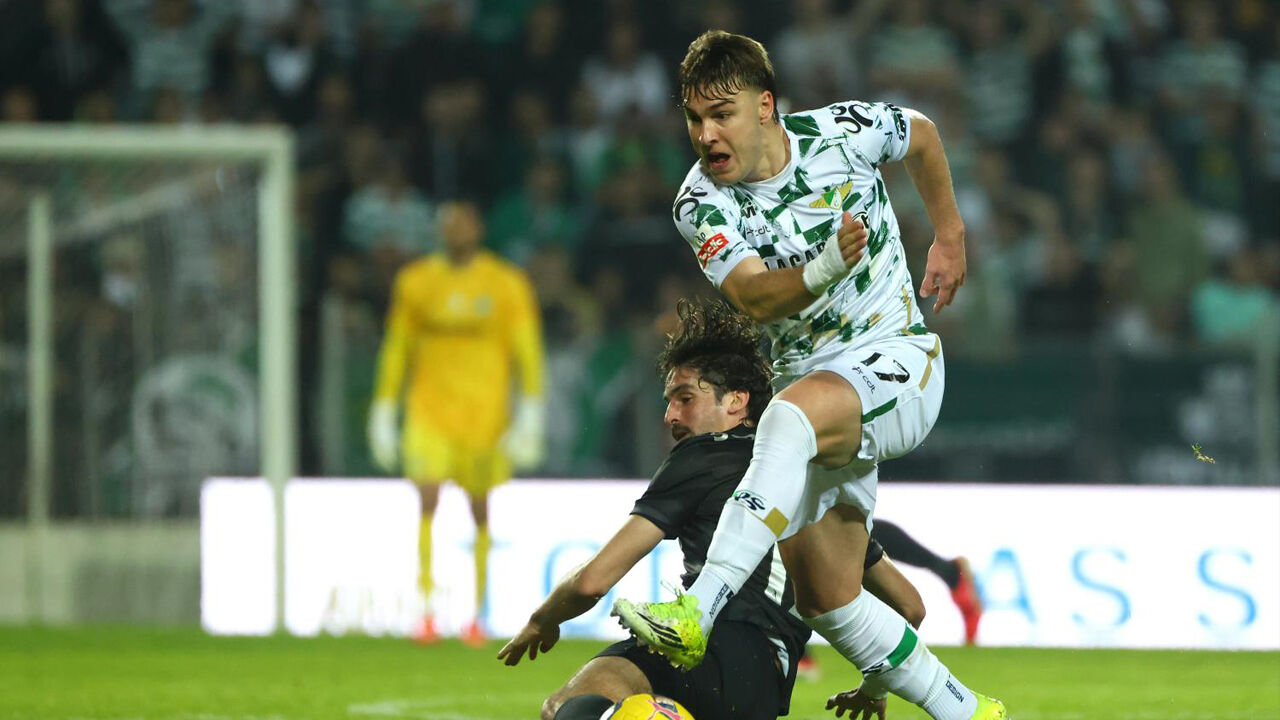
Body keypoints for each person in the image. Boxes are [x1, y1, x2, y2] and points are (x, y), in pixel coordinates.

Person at [611, 30, 1005, 720]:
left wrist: (949, 234)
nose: (706, 135)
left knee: (785, 417)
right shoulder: (699, 202)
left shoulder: (842, 132)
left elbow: (922, 134)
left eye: (722, 114)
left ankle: (695, 612)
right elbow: (755, 296)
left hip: (899, 362)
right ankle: (968, 712)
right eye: (694, 118)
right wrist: (826, 265)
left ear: (765, 106)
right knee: (828, 597)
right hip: (814, 398)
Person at [498, 298, 927, 720]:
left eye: (685, 398)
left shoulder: (704, 456)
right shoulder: (814, 480)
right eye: (668, 401)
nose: (670, 415)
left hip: (704, 651)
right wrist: (875, 687)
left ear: (737, 402)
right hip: (767, 688)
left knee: (573, 704)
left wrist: (544, 619)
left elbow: (592, 581)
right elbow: (910, 608)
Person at [368, 199, 546, 646]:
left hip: (485, 417)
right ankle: (426, 610)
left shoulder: (506, 283)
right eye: (448, 224)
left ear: (478, 228)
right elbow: (397, 347)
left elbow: (527, 349)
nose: (456, 231)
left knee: (479, 507)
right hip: (429, 412)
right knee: (427, 498)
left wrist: (531, 410)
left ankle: (476, 614)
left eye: (463, 223)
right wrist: (384, 408)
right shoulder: (415, 282)